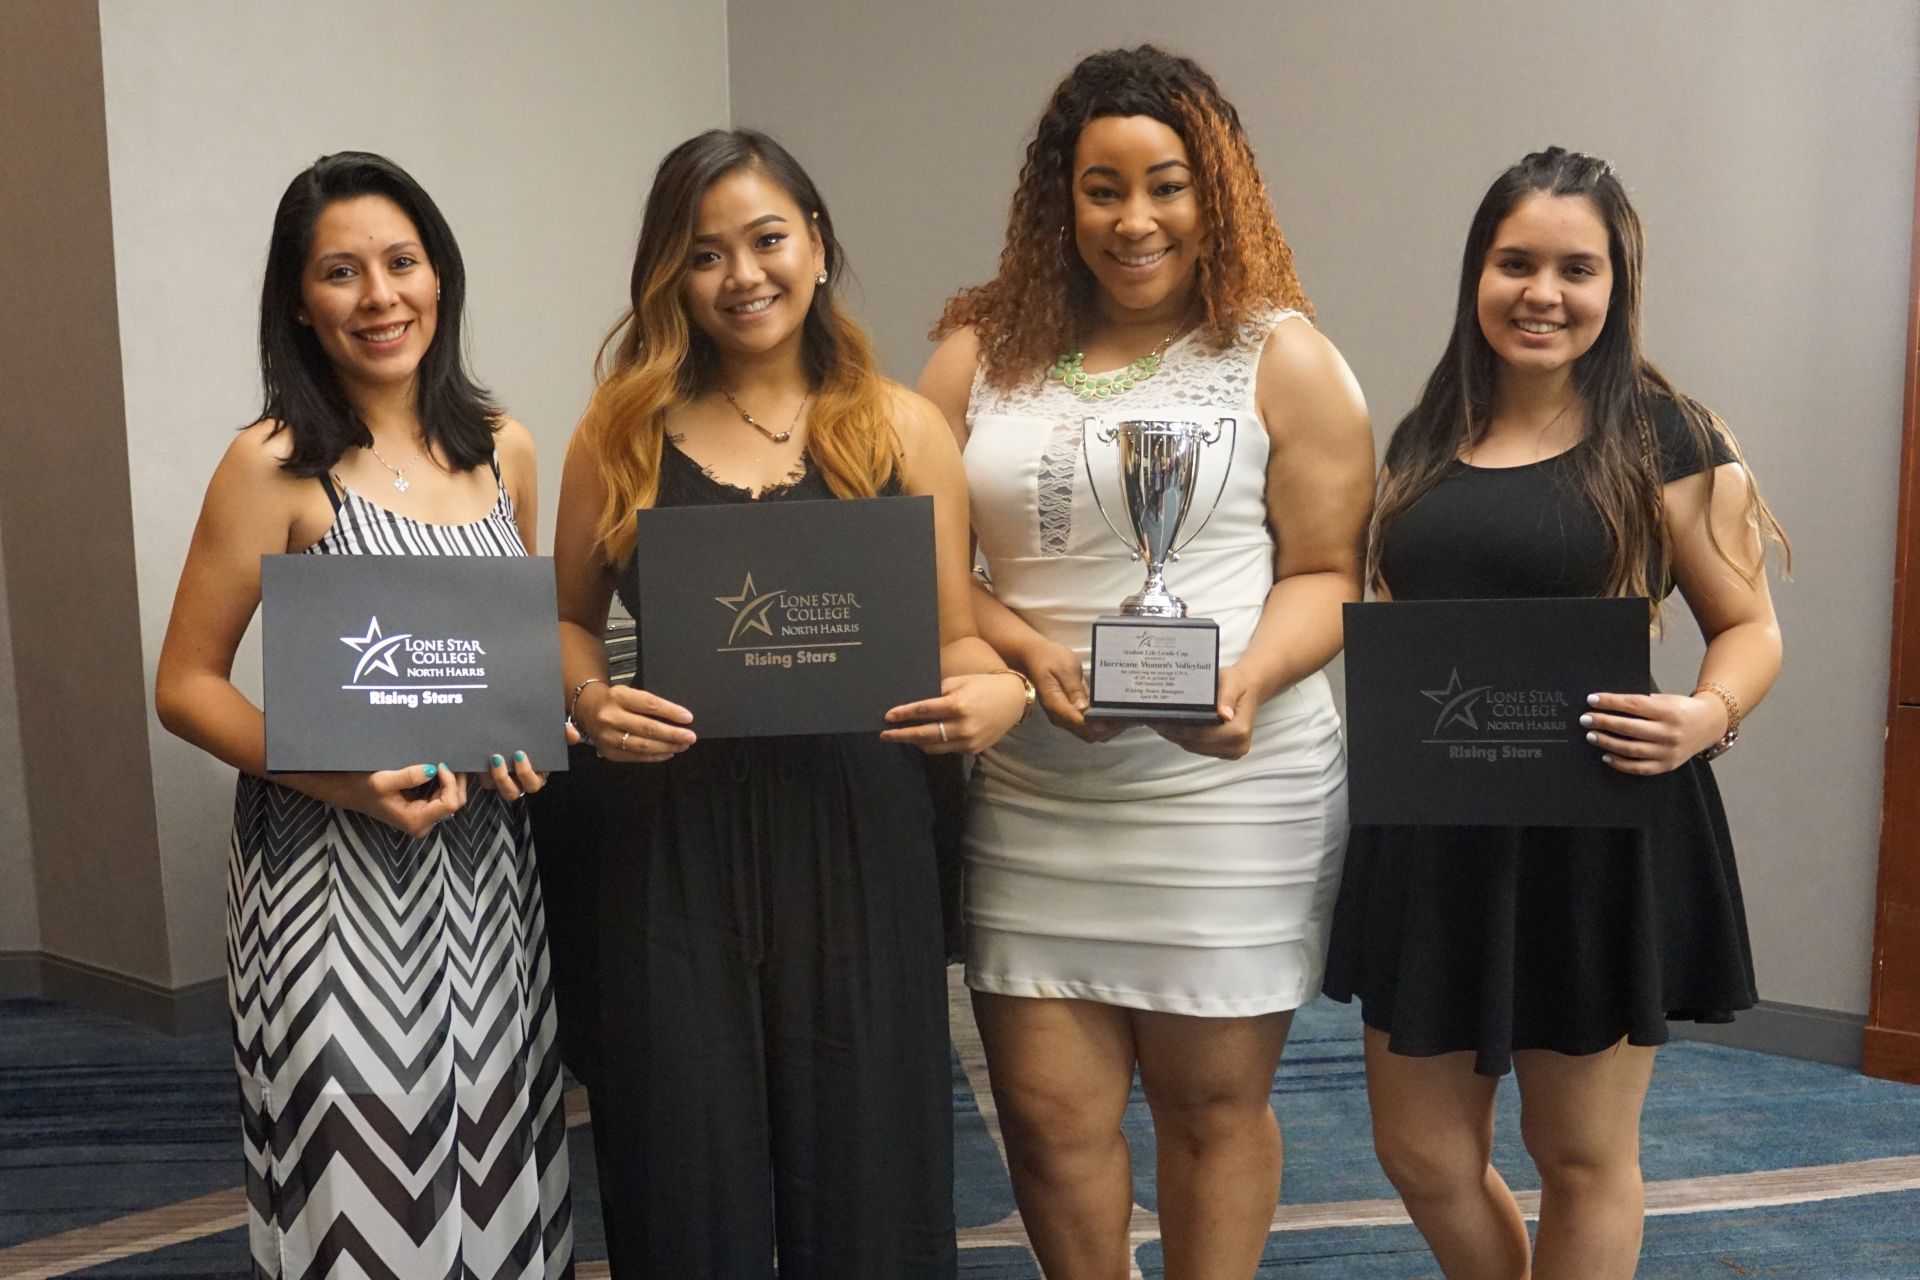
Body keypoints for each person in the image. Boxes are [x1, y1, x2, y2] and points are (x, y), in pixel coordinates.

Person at [919, 46, 1374, 1280]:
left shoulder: (1283, 356)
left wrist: (1248, 681)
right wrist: (1021, 647)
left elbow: (1330, 571)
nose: (1135, 220)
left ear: (1214, 192)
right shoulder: (976, 352)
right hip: (1037, 789)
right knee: (1052, 1127)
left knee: (1211, 1113)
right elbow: (920, 564)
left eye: (1166, 186)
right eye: (1102, 187)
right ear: (1057, 201)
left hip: (1232, 787)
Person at [552, 128, 1027, 1280]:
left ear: (817, 245)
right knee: (681, 1157)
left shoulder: (899, 425)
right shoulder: (617, 430)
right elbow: (565, 618)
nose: (743, 274)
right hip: (673, 838)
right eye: (705, 253)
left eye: (767, 239)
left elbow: (958, 637)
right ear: (672, 274)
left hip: (859, 837)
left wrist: (996, 696)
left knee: (871, 1159)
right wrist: (585, 695)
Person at [1322, 147, 1790, 1279]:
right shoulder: (1427, 438)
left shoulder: (1669, 435)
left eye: (1576, 269)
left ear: (1616, 286)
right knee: (1421, 1148)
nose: (1543, 292)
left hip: (1598, 833)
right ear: (1477, 274)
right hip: (1436, 839)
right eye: (1515, 262)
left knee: (1578, 1152)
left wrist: (1705, 716)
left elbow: (1752, 626)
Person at [153, 152, 572, 1278]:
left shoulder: (505, 448)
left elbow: (498, 661)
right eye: (342, 272)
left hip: (484, 881)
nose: (380, 296)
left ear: (441, 277)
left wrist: (525, 741)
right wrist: (336, 777)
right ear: (300, 299)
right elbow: (185, 682)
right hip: (324, 886)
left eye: (402, 263)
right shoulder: (273, 465)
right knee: (359, 1176)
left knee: (492, 1156)